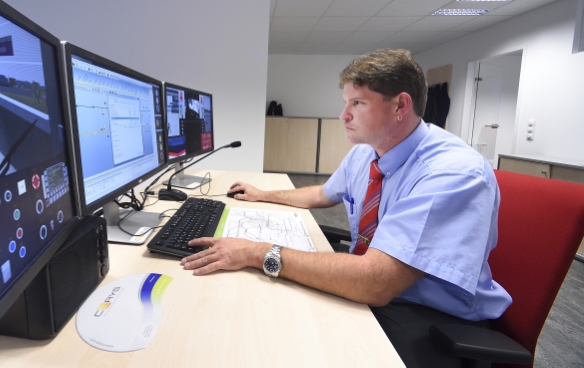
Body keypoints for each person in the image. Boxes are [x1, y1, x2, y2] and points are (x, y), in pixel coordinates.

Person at [181, 49, 512, 367]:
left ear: (400, 105)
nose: (344, 116)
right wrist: (263, 194)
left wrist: (258, 253)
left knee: (290, 340)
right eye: (345, 103)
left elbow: (376, 283)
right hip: (379, 293)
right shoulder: (367, 152)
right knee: (263, 317)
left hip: (432, 319)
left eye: (358, 103)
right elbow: (322, 194)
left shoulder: (450, 173)